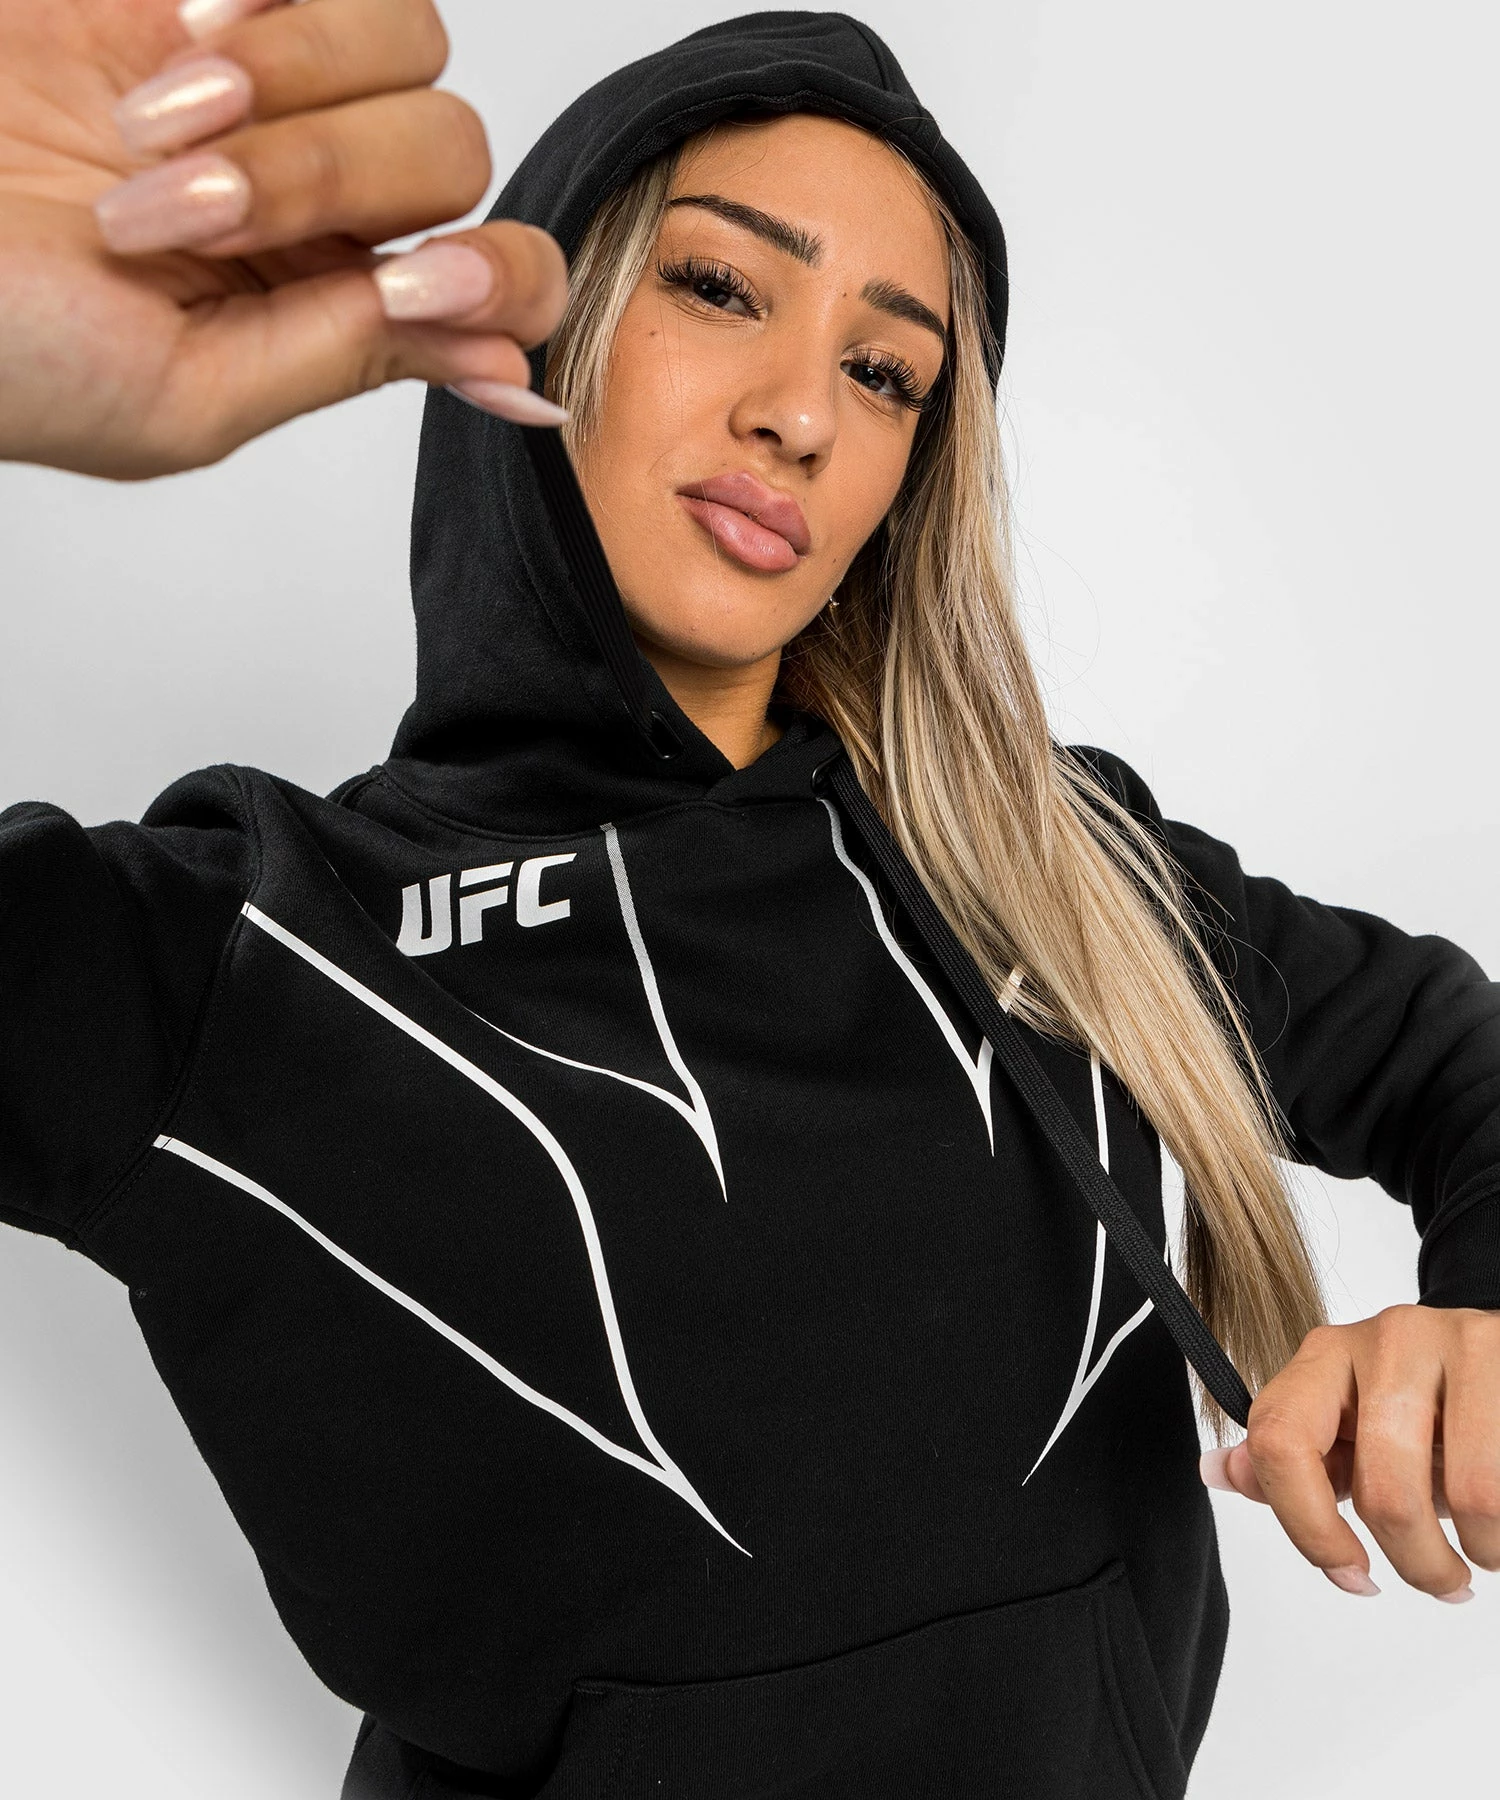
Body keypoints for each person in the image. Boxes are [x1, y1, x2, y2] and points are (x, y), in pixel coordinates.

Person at [3, 4, 1498, 1796]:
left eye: (887, 374)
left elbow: (1457, 1057)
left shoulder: (1045, 862)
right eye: (721, 287)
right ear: (540, 317)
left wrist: (1483, 1322)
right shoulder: (257, 951)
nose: (800, 414)